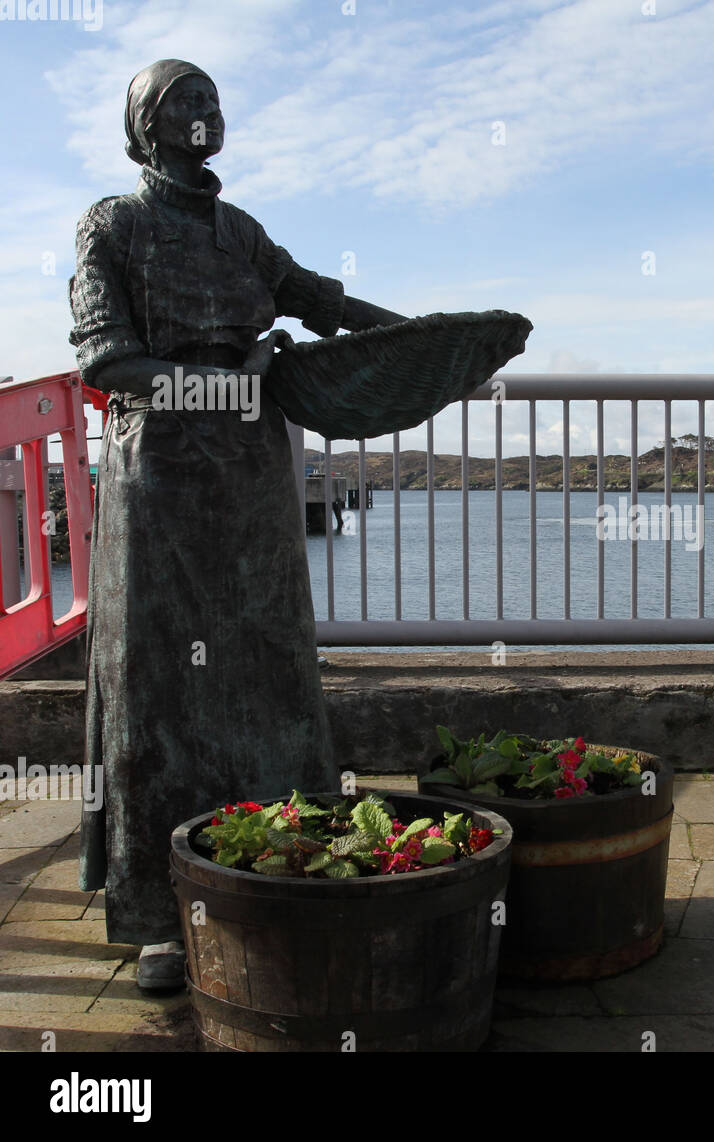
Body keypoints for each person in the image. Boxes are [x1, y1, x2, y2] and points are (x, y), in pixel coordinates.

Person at [68, 60, 407, 990]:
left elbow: (318, 299)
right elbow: (110, 361)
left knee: (267, 663)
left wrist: (423, 336)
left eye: (212, 99)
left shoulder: (239, 232)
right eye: (183, 100)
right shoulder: (116, 225)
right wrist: (228, 382)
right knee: (160, 681)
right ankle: (159, 917)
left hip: (253, 472)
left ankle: (287, 862)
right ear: (144, 125)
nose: (203, 112)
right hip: (161, 473)